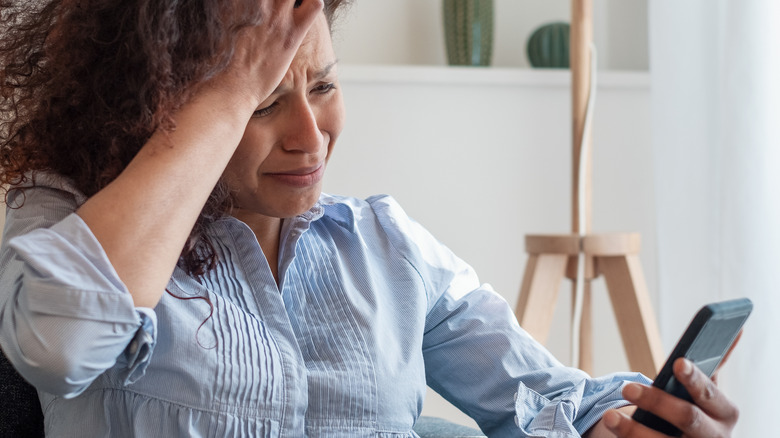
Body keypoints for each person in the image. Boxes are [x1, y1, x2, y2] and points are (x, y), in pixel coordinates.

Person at [0, 0, 740, 436]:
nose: (311, 137)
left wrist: (640, 415)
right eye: (263, 104)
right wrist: (225, 95)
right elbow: (62, 344)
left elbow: (549, 399)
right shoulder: (71, 225)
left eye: (321, 85)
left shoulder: (382, 246)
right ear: (158, 110)